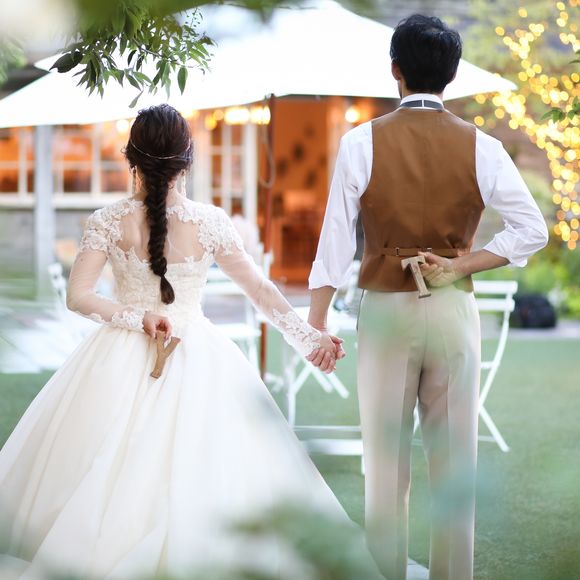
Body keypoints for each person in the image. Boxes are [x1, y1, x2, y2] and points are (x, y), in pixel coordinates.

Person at [0, 104, 358, 579]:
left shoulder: (108, 219)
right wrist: (308, 339)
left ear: (131, 158)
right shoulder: (210, 221)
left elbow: (78, 296)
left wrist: (136, 317)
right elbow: (260, 292)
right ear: (187, 160)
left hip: (118, 355)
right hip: (197, 351)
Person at [306, 14, 548, 580]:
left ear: (394, 70)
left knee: (384, 465)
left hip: (385, 313)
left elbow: (334, 241)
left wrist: (317, 321)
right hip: (452, 310)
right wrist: (461, 264)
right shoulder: (483, 146)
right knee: (456, 462)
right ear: (453, 75)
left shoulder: (360, 142)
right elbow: (531, 229)